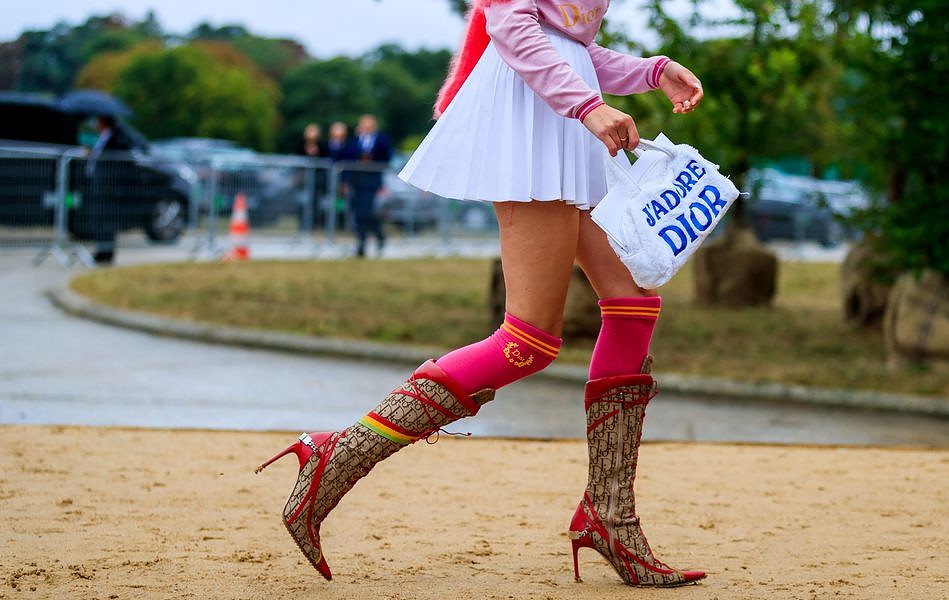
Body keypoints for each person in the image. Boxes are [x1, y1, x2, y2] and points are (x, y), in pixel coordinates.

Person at [257, 0, 706, 587]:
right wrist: (588, 106)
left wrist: (651, 71)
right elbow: (512, 26)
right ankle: (338, 455)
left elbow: (570, 44)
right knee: (529, 341)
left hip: (566, 117)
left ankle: (610, 515)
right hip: (533, 122)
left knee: (634, 303)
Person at [77, 115, 127, 265]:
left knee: (107, 220)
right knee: (99, 219)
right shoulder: (102, 138)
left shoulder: (116, 138)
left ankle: (106, 252)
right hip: (99, 185)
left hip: (108, 187)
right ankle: (101, 251)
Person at [344, 114, 392, 257]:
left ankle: (370, 238)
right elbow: (347, 157)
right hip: (357, 180)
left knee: (367, 211)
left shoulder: (380, 140)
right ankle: (364, 241)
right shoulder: (355, 141)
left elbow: (387, 155)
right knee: (359, 212)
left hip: (372, 181)